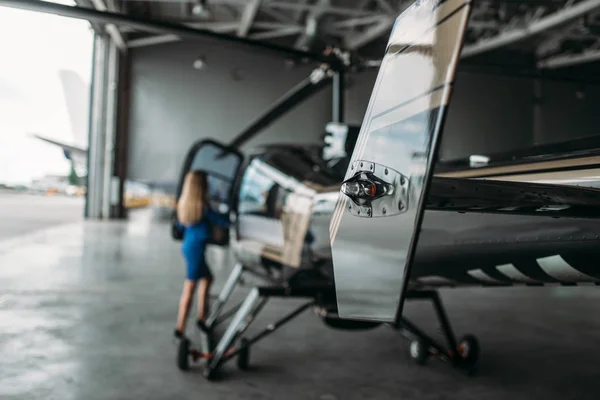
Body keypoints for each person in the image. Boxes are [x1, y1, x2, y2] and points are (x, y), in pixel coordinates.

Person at [173, 170, 230, 341]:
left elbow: (181, 229)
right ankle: (180, 328)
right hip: (197, 250)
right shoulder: (203, 208)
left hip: (189, 247)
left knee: (206, 279)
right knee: (190, 288)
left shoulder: (184, 206)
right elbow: (223, 221)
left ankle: (201, 317)